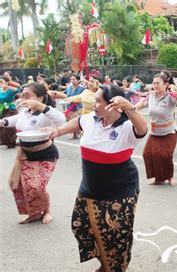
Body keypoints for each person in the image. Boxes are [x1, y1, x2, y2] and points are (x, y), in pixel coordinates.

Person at [48, 84, 147, 271]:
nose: (94, 104)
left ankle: (114, 267)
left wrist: (130, 108)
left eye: (98, 101)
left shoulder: (126, 127)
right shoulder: (91, 120)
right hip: (90, 188)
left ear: (113, 105)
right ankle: (105, 262)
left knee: (116, 236)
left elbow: (143, 129)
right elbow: (77, 122)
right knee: (82, 227)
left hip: (120, 191)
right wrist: (57, 132)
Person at [0, 83, 66, 224]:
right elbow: (15, 120)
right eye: (23, 95)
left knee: (37, 186)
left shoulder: (47, 112)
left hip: (45, 154)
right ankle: (35, 212)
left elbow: (61, 120)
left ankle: (47, 211)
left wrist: (40, 106)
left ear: (41, 98)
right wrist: (3, 122)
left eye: (28, 95)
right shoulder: (25, 112)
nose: (24, 98)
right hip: (25, 154)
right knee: (19, 185)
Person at [135, 71, 177, 186]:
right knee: (147, 154)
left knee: (165, 155)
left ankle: (169, 177)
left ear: (165, 85)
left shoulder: (170, 97)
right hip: (155, 132)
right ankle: (158, 178)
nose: (155, 85)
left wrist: (175, 88)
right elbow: (138, 106)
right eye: (153, 83)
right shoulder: (150, 97)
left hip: (169, 132)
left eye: (158, 83)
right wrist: (128, 110)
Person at [0, 75, 20, 148]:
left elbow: (18, 90)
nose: (0, 83)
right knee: (1, 126)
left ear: (7, 82)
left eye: (1, 81)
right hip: (1, 109)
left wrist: (7, 86)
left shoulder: (11, 90)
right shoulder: (0, 89)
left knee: (10, 126)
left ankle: (12, 142)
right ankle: (5, 142)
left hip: (11, 109)